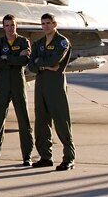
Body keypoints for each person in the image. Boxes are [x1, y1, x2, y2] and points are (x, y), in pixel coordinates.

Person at [28, 13, 75, 171]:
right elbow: (31, 66)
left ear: (55, 24)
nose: (46, 26)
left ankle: (69, 158)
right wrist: (44, 65)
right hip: (41, 84)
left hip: (55, 85)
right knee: (41, 122)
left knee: (61, 121)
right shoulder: (38, 43)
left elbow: (54, 62)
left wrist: (41, 63)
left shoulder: (62, 42)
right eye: (43, 23)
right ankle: (45, 157)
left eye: (49, 23)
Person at [0, 14, 34, 166]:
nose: (10, 28)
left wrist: (6, 57)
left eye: (12, 25)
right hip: (2, 84)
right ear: (3, 27)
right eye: (6, 25)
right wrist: (14, 57)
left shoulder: (23, 41)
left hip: (17, 82)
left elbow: (25, 60)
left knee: (24, 119)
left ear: (16, 26)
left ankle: (27, 156)